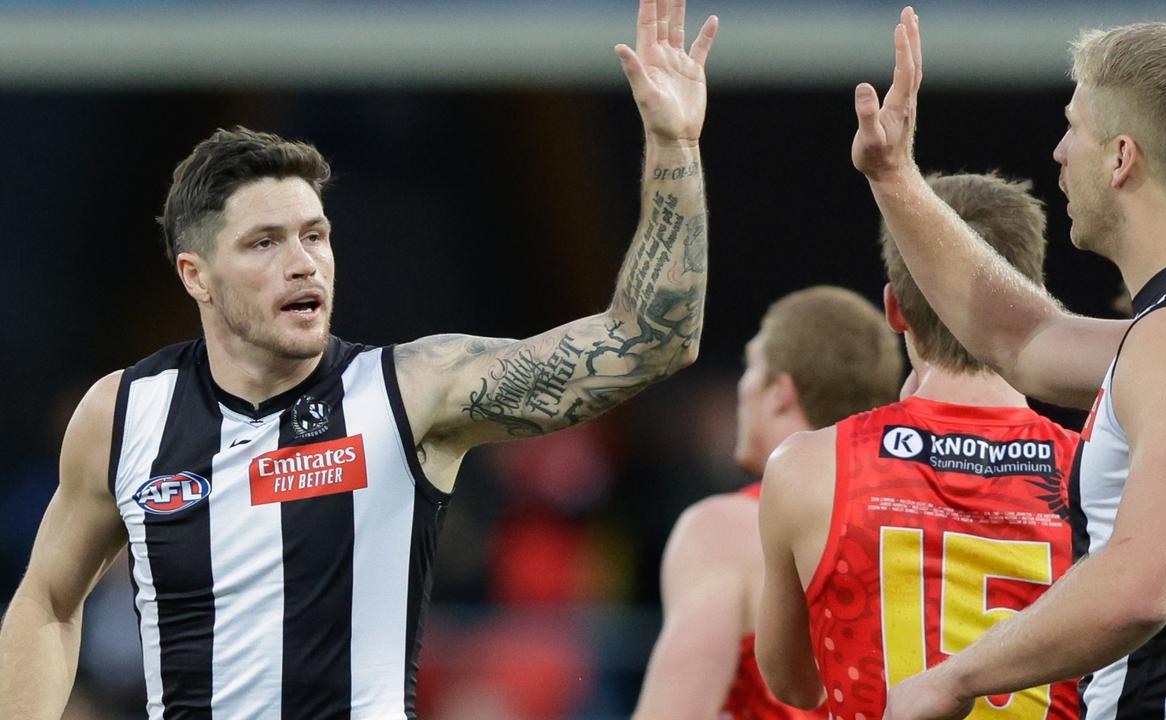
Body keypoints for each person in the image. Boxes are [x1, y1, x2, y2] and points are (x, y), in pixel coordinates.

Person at [0, 1, 719, 716]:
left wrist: (673, 142)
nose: (304, 263)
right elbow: (47, 602)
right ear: (196, 276)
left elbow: (649, 341)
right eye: (265, 242)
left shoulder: (409, 392)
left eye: (316, 235)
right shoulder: (123, 413)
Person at [849, 8, 1166, 720]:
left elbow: (1143, 584)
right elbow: (1020, 337)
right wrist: (896, 179)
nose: (1057, 150)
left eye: (1075, 126)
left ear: (1121, 157)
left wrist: (952, 679)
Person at [755, 172, 1082, 720]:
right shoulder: (1099, 472)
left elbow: (793, 684)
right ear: (1033, 299)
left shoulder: (806, 469)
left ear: (894, 307)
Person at [632, 285, 903, 720]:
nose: (743, 387)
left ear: (780, 392)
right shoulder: (914, 524)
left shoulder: (723, 530)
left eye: (750, 367)